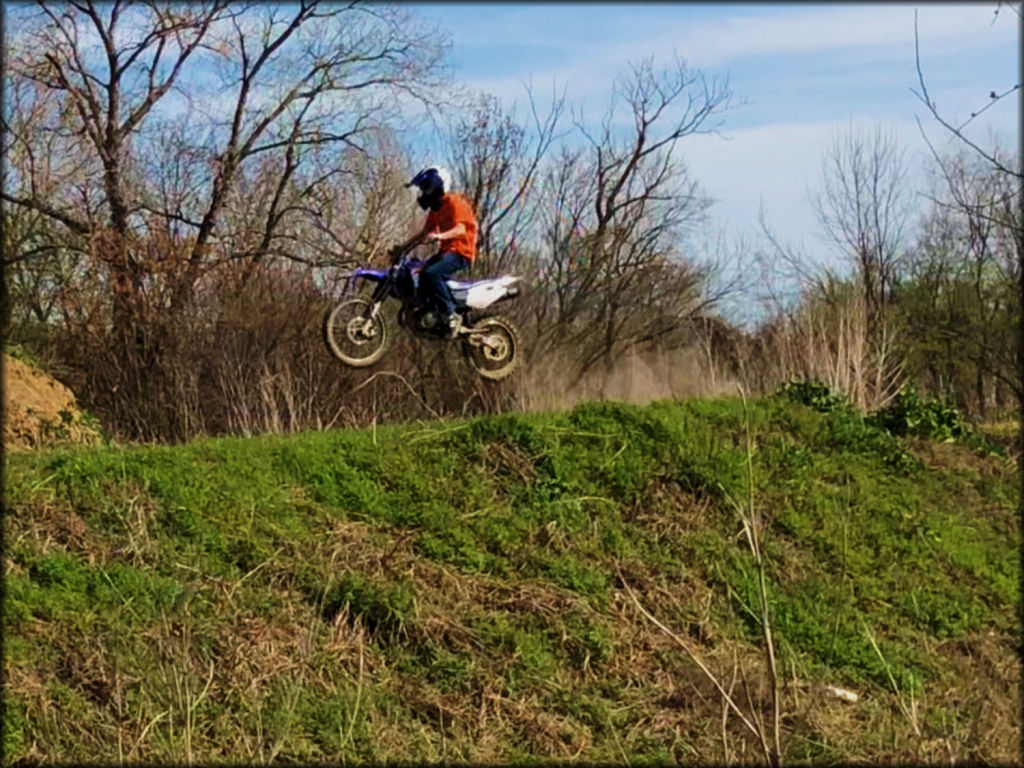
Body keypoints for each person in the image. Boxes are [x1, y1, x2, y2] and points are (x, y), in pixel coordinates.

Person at [390, 166, 477, 337]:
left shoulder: (454, 203)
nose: (423, 192)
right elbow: (424, 233)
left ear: (438, 185)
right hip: (447, 252)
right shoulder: (435, 210)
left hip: (461, 253)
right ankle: (433, 313)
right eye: (422, 188)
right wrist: (403, 247)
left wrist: (440, 236)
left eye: (426, 187)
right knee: (419, 273)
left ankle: (450, 314)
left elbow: (460, 230)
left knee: (431, 274)